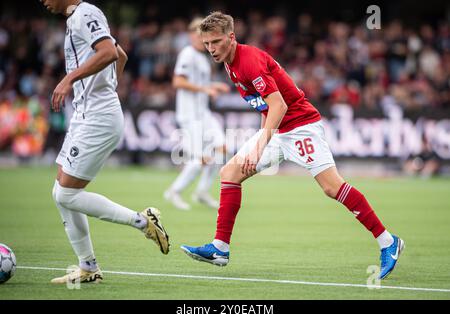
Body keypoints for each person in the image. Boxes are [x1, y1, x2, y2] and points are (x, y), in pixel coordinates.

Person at [181, 12, 405, 280]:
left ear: (231, 37)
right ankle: (220, 248)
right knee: (230, 173)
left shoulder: (248, 61)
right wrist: (262, 136)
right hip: (279, 130)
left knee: (332, 187)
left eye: (216, 42)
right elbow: (267, 106)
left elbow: (280, 104)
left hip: (301, 127)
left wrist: (258, 146)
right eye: (207, 44)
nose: (211, 49)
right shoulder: (229, 64)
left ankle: (388, 241)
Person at [40, 0, 170, 284]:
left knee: (66, 195)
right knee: (59, 192)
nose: (42, 1)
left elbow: (110, 52)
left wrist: (68, 80)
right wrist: (104, 89)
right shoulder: (77, 17)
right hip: (87, 115)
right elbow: (120, 54)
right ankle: (88, 267)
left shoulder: (85, 13)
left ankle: (142, 221)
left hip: (96, 118)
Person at [164, 18, 230, 211]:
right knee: (199, 159)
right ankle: (174, 191)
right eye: (198, 34)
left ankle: (202, 191)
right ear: (192, 35)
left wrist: (212, 86)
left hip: (203, 113)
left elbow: (199, 84)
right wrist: (205, 89)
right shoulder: (187, 54)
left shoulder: (202, 56)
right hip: (189, 115)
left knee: (222, 148)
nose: (202, 38)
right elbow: (178, 82)